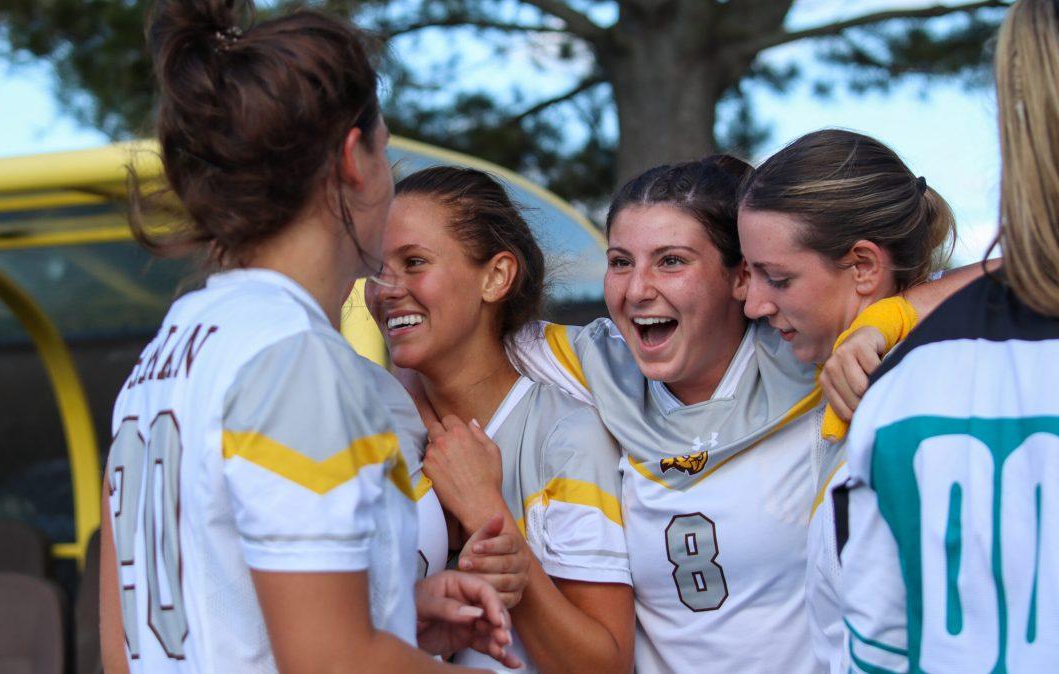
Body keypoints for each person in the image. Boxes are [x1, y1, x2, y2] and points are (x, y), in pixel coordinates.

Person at [98, 3, 518, 673]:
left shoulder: (163, 357)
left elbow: (133, 645)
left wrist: (395, 613)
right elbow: (331, 660)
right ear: (353, 160)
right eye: (387, 151)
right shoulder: (294, 360)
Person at [489, 152, 975, 673]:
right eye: (619, 261)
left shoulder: (807, 351)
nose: (636, 289)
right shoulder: (600, 362)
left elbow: (1019, 275)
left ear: (740, 277)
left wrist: (889, 317)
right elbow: (454, 344)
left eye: (671, 260)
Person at [839, 0, 1059, 670]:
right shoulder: (894, 383)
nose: (755, 300)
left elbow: (875, 649)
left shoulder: (904, 385)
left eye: (776, 278)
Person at [366, 166, 635, 674]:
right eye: (376, 268)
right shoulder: (373, 424)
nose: (386, 289)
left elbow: (607, 664)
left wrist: (486, 514)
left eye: (414, 262)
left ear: (496, 277)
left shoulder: (567, 433)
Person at [736, 128, 966, 673]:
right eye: (750, 274)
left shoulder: (938, 400)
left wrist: (890, 316)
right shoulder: (838, 369)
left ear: (864, 266)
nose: (753, 303)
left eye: (777, 277)